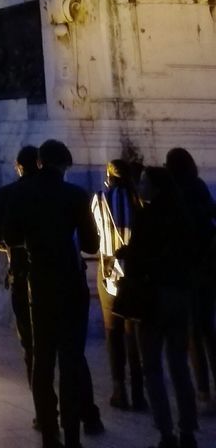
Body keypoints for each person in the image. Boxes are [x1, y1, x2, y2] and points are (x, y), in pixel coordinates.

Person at [5, 138, 100, 448]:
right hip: (71, 283)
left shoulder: (21, 193)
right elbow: (90, 245)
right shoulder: (75, 195)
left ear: (40, 162)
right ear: (65, 164)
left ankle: (49, 431)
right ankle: (73, 435)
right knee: (71, 359)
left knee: (42, 360)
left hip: (39, 284)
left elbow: (9, 236)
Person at [119, 166, 199, 448]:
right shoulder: (183, 216)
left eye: (144, 182)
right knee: (179, 365)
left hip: (152, 297)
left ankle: (166, 433)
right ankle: (188, 431)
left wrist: (126, 254)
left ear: (156, 188)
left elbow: (140, 257)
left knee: (152, 367)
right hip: (179, 295)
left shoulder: (146, 216)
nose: (140, 186)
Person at [91, 157, 145, 411]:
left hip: (108, 271)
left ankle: (118, 388)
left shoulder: (100, 198)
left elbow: (95, 235)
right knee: (132, 331)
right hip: (134, 273)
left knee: (112, 331)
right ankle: (138, 390)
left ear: (110, 176)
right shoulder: (140, 201)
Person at [165, 148, 216, 412]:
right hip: (206, 270)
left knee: (193, 333)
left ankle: (203, 392)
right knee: (208, 331)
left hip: (184, 273)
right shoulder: (199, 187)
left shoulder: (173, 194)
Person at [0, 144, 39, 385]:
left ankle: (36, 384)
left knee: (28, 332)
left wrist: (10, 247)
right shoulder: (66, 192)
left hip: (21, 267)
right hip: (59, 270)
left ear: (19, 167)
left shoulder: (7, 194)